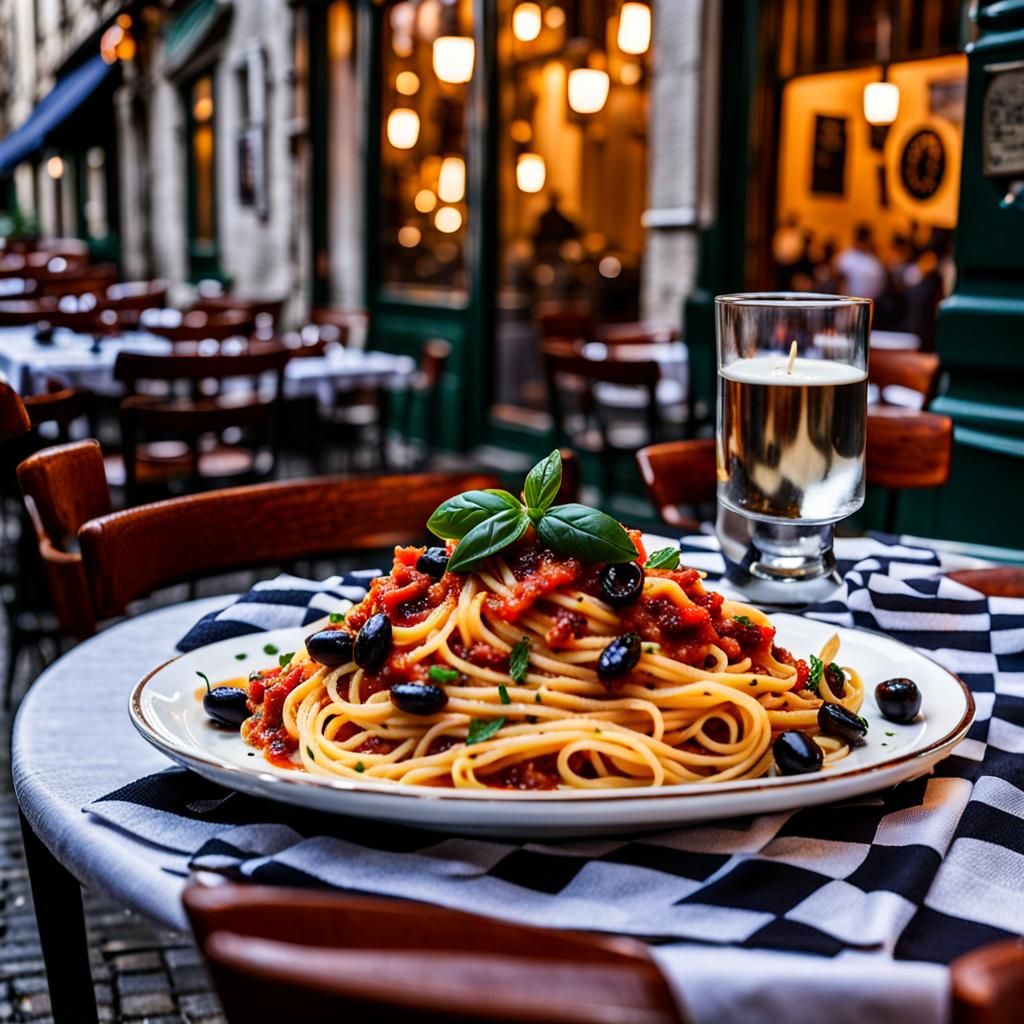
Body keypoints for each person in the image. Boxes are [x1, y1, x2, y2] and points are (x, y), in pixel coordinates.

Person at [836, 223, 886, 300]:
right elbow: (840, 285)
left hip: (872, 303)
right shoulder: (846, 258)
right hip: (851, 304)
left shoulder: (874, 260)